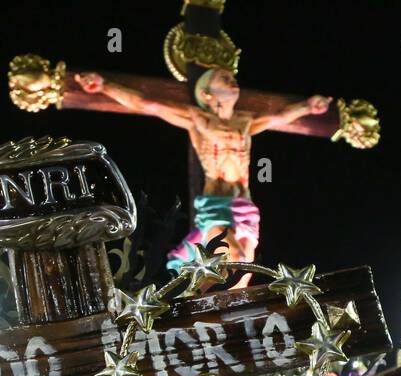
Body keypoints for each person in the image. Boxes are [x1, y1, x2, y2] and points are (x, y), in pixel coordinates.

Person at [72, 68, 330, 272]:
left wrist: (308, 107)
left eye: (231, 77)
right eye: (224, 78)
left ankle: (227, 316)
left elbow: (280, 116)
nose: (232, 81)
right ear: (207, 94)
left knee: (245, 269)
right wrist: (104, 85)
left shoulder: (246, 122)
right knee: (235, 258)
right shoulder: (198, 119)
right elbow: (148, 104)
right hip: (216, 204)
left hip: (245, 205)